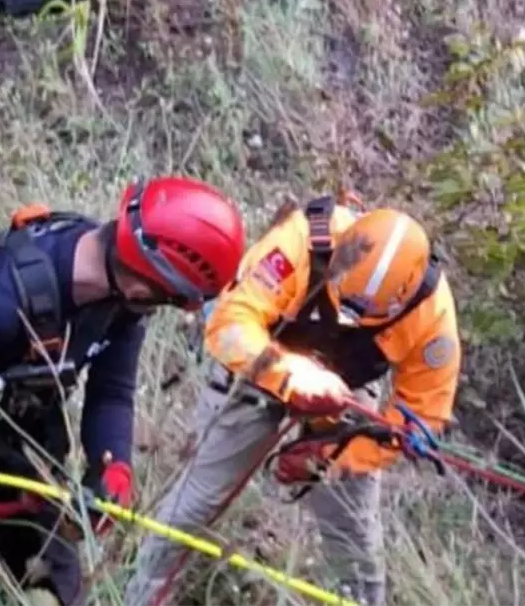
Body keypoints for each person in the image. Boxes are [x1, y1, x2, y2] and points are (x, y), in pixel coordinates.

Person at [0, 176, 247, 606]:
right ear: (144, 285)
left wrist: (114, 468)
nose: (156, 310)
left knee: (61, 594)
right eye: (168, 300)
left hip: (24, 439)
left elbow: (113, 390)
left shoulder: (120, 305)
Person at [124, 192, 463, 606]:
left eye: (364, 312)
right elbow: (231, 324)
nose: (348, 317)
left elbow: (421, 420)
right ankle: (138, 596)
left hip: (347, 395)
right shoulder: (301, 241)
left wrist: (333, 456)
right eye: (346, 299)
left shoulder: (432, 315)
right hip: (256, 367)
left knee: (354, 536)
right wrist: (288, 376)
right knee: (193, 503)